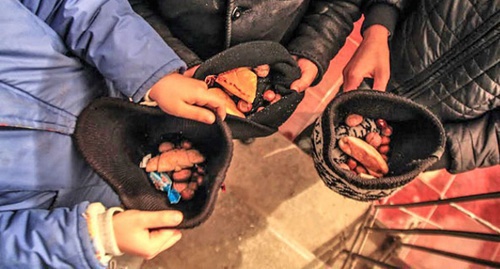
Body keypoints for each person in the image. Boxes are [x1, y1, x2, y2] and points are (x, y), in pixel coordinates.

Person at [0, 0, 226, 268]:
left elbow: (71, 5)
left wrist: (152, 73)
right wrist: (94, 238)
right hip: (79, 213)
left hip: (127, 105)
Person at [341, 0, 499, 174]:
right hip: (381, 64)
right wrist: (379, 26)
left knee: (353, 173)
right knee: (332, 127)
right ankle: (308, 147)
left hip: (428, 128)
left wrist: (445, 151)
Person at [127, 0, 408, 93]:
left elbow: (338, 3)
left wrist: (312, 49)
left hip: (268, 65)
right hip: (153, 54)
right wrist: (169, 60)